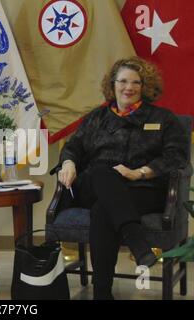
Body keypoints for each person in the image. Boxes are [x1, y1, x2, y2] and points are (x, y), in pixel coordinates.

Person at [55, 57, 189, 299]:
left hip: (142, 189)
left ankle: (102, 293)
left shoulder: (163, 119)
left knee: (103, 210)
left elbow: (176, 157)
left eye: (136, 82)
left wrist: (138, 173)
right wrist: (68, 162)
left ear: (145, 86)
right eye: (123, 81)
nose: (129, 87)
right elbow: (73, 147)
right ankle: (138, 243)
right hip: (94, 184)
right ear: (113, 84)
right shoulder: (97, 117)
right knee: (101, 172)